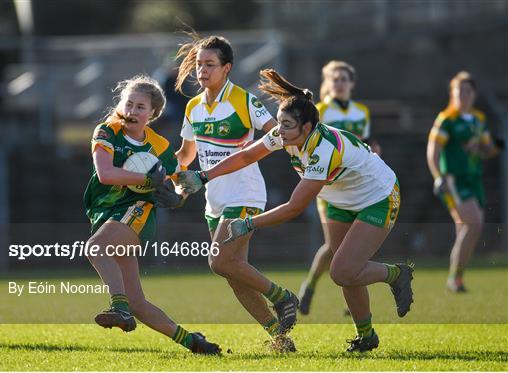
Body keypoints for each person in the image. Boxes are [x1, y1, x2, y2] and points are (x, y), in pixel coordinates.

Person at [178, 69, 414, 352]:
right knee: (346, 270)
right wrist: (203, 176)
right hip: (340, 199)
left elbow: (294, 207)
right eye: (279, 124)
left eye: (287, 126)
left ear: (308, 127)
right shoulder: (284, 134)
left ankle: (396, 274)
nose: (280, 131)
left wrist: (250, 223)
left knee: (342, 271)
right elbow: (247, 154)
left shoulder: (323, 149)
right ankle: (366, 338)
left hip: (378, 196)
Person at [174, 33, 298, 352]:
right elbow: (186, 155)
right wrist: (167, 174)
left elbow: (276, 133)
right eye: (199, 64)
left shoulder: (243, 100)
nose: (202, 70)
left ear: (226, 68)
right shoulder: (192, 107)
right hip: (213, 200)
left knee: (218, 261)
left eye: (210, 65)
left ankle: (282, 297)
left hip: (245, 194)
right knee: (233, 274)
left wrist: (302, 150)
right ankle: (280, 339)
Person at [83, 74, 220, 354]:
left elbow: (183, 180)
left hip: (136, 211)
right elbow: (105, 174)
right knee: (138, 302)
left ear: (152, 114)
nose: (132, 111)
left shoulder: (159, 147)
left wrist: (178, 198)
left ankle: (117, 308)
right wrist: (148, 178)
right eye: (128, 104)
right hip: (107, 212)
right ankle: (193, 342)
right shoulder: (107, 131)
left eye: (140, 107)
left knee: (96, 248)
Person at [299, 60, 381, 315]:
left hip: (357, 186)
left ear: (351, 83)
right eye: (335, 79)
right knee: (335, 247)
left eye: (344, 79)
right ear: (329, 83)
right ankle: (311, 286)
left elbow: (365, 143)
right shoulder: (320, 110)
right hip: (329, 186)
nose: (340, 83)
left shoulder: (361, 112)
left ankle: (349, 300)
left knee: (350, 246)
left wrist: (373, 151)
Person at [427, 71, 500, 293]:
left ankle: (455, 278)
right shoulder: (446, 120)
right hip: (454, 180)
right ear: (452, 94)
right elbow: (433, 152)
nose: (463, 95)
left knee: (466, 228)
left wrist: (485, 147)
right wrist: (439, 176)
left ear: (474, 94)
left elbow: (489, 150)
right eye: (459, 90)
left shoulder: (479, 119)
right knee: (474, 223)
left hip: (474, 179)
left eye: (467, 90)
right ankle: (455, 278)